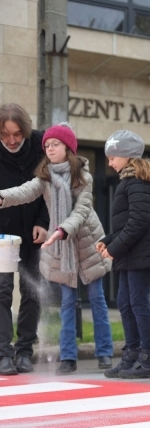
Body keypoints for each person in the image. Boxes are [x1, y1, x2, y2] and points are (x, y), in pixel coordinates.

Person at [0, 123, 113, 375]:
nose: (49, 149)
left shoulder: (84, 176)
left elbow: (82, 211)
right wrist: (2, 197)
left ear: (68, 148)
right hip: (61, 247)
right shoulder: (44, 177)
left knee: (97, 300)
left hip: (87, 243)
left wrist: (61, 229)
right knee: (67, 302)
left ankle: (105, 352)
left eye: (55, 145)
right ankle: (68, 357)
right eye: (47, 146)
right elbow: (24, 192)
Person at [97, 130, 150, 379]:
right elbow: (130, 222)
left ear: (126, 156)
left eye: (112, 156)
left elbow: (138, 222)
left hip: (139, 253)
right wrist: (109, 240)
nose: (110, 162)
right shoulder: (130, 180)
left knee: (138, 304)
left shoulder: (138, 181)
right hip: (130, 252)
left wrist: (114, 248)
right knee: (126, 304)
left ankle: (149, 359)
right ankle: (132, 356)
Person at [0, 104, 49, 375]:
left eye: (17, 134)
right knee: (2, 291)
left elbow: (48, 188)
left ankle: (25, 350)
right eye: (5, 134)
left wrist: (43, 223)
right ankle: (3, 353)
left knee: (32, 292)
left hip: (34, 233)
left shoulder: (41, 145)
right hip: (3, 235)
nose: (11, 140)